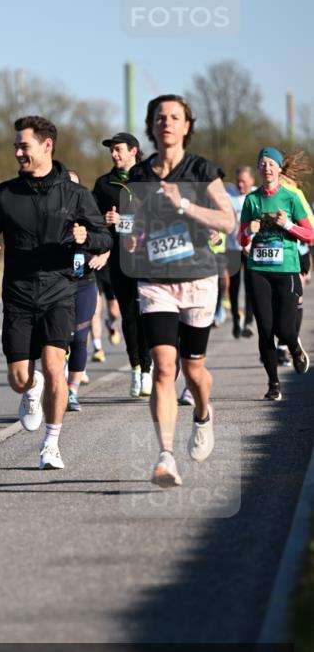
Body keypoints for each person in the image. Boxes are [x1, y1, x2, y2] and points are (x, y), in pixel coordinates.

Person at [0, 115, 112, 470]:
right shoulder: (6, 194)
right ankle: (30, 391)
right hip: (18, 295)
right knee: (20, 378)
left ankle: (51, 444)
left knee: (54, 368)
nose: (18, 152)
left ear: (46, 145)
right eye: (16, 146)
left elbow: (104, 237)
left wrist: (86, 239)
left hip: (58, 291)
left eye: (24, 146)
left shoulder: (75, 194)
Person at [123, 95, 236, 488]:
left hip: (198, 279)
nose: (166, 123)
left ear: (187, 125)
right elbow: (131, 223)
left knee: (193, 370)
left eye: (174, 117)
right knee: (164, 368)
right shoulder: (138, 176)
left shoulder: (202, 170)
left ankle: (203, 413)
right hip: (155, 282)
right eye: (159, 117)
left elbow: (227, 220)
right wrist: (131, 237)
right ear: (151, 126)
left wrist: (185, 204)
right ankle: (166, 456)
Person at [239, 146, 313, 400]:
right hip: (258, 270)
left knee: (284, 329)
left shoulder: (291, 197)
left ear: (279, 168)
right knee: (265, 329)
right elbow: (241, 239)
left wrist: (288, 225)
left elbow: (311, 235)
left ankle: (294, 346)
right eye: (263, 164)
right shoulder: (251, 199)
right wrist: (249, 230)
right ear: (259, 169)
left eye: (271, 164)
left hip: (287, 270)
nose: (267, 168)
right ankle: (273, 384)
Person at [93, 132, 152, 398]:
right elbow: (91, 222)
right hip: (119, 259)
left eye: (118, 150)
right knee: (128, 315)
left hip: (148, 257)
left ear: (133, 151)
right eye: (112, 151)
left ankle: (149, 370)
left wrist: (132, 221)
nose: (114, 155)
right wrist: (104, 221)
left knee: (148, 315)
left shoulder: (150, 180)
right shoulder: (104, 185)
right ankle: (136, 368)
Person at [64, 171, 98, 412]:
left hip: (85, 282)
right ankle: (53, 386)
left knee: (79, 340)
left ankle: (72, 392)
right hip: (57, 284)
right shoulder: (51, 215)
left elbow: (105, 238)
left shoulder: (89, 212)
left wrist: (104, 254)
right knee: (57, 341)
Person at [227, 166, 256, 338]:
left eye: (244, 181)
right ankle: (236, 319)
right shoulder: (227, 195)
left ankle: (249, 322)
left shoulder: (256, 195)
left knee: (251, 284)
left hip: (251, 248)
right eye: (238, 180)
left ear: (252, 181)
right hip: (232, 248)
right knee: (234, 286)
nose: (240, 184)